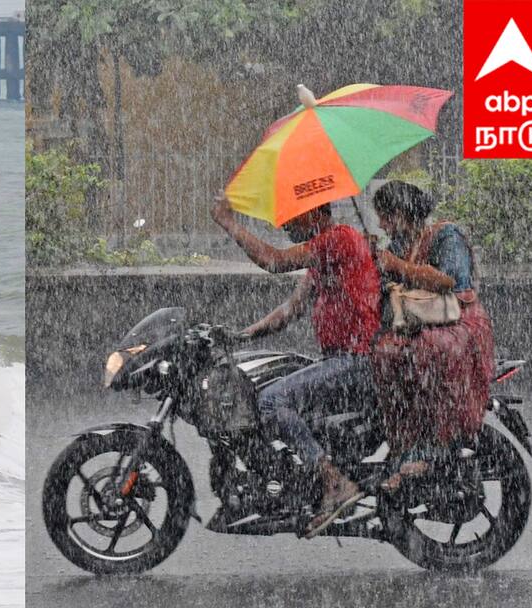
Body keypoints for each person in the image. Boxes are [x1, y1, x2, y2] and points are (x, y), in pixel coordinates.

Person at [212, 191, 381, 538]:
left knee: (272, 400)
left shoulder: (338, 239)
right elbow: (290, 310)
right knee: (270, 385)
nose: (284, 224)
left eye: (291, 215)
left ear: (313, 212)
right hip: (341, 359)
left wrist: (228, 222)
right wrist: (243, 336)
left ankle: (334, 480)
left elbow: (274, 261)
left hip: (357, 359)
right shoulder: (324, 258)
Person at [370, 181, 495, 491]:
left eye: (385, 217)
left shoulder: (445, 235)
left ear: (401, 213)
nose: (382, 225)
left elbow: (448, 280)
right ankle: (403, 450)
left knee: (429, 354)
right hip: (417, 324)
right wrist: (372, 258)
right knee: (385, 355)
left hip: (455, 323)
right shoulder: (399, 245)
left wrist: (396, 265)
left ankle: (435, 450)